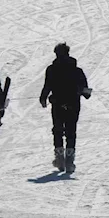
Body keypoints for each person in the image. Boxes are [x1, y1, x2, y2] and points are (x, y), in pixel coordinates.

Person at [40, 43, 91, 173]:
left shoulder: (51, 69)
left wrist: (43, 97)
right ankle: (69, 161)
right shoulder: (77, 70)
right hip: (73, 104)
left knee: (57, 130)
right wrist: (85, 93)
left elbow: (47, 85)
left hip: (57, 103)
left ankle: (59, 159)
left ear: (56, 54)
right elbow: (85, 90)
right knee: (70, 131)